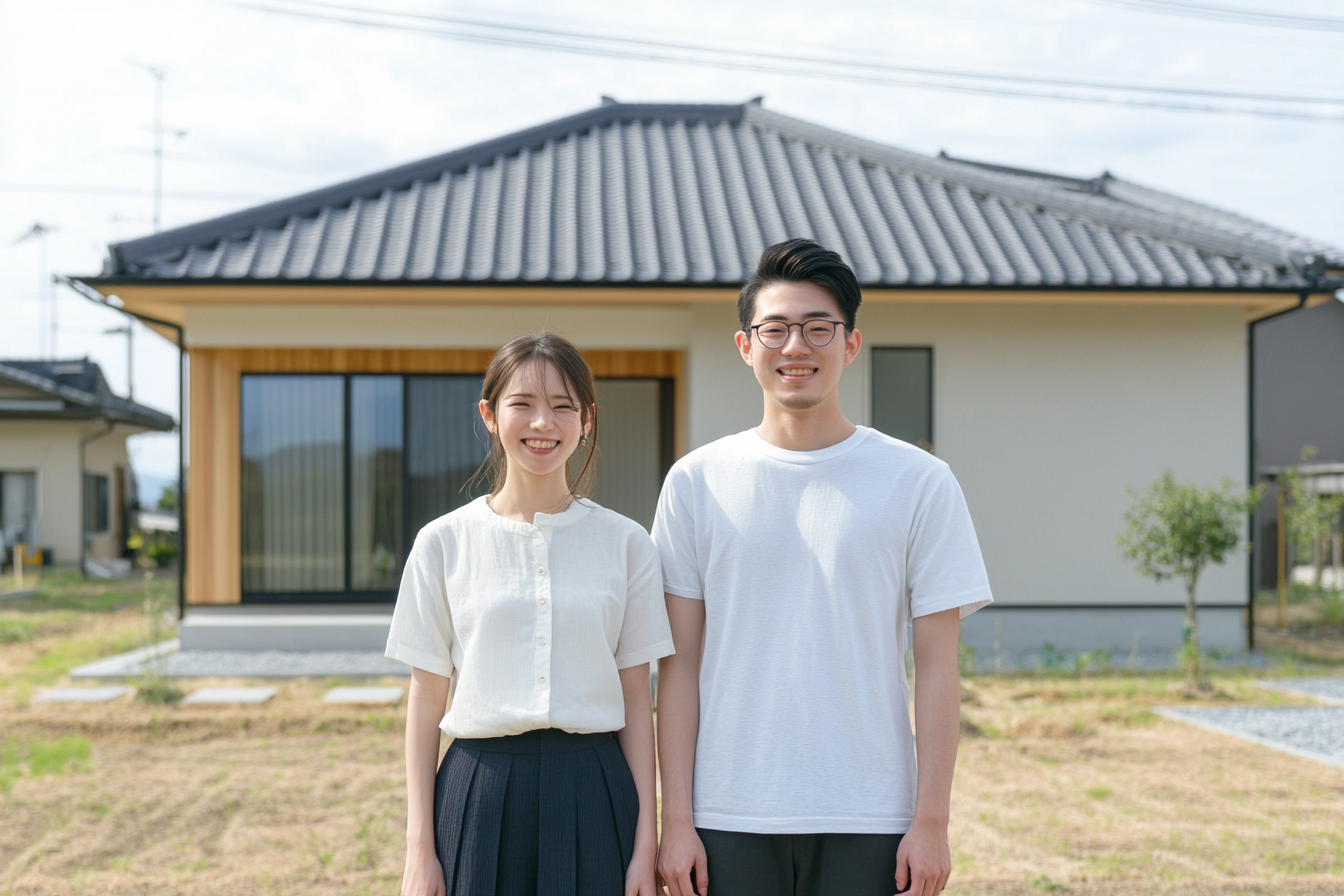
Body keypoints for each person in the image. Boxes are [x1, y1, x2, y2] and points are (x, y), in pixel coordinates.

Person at [654, 239, 993, 896]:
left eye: (818, 328)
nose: (796, 347)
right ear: (745, 345)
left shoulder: (919, 480)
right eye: (775, 329)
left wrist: (932, 821)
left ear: (851, 344)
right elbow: (679, 665)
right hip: (729, 812)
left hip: (873, 813)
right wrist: (678, 820)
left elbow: (938, 665)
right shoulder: (696, 482)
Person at [388, 332, 673, 896]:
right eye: (523, 404)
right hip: (478, 793)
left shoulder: (627, 543)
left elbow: (638, 700)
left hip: (596, 788)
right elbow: (425, 700)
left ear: (587, 420)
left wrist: (647, 842)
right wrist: (420, 850)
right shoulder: (443, 542)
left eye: (564, 406)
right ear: (489, 415)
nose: (544, 422)